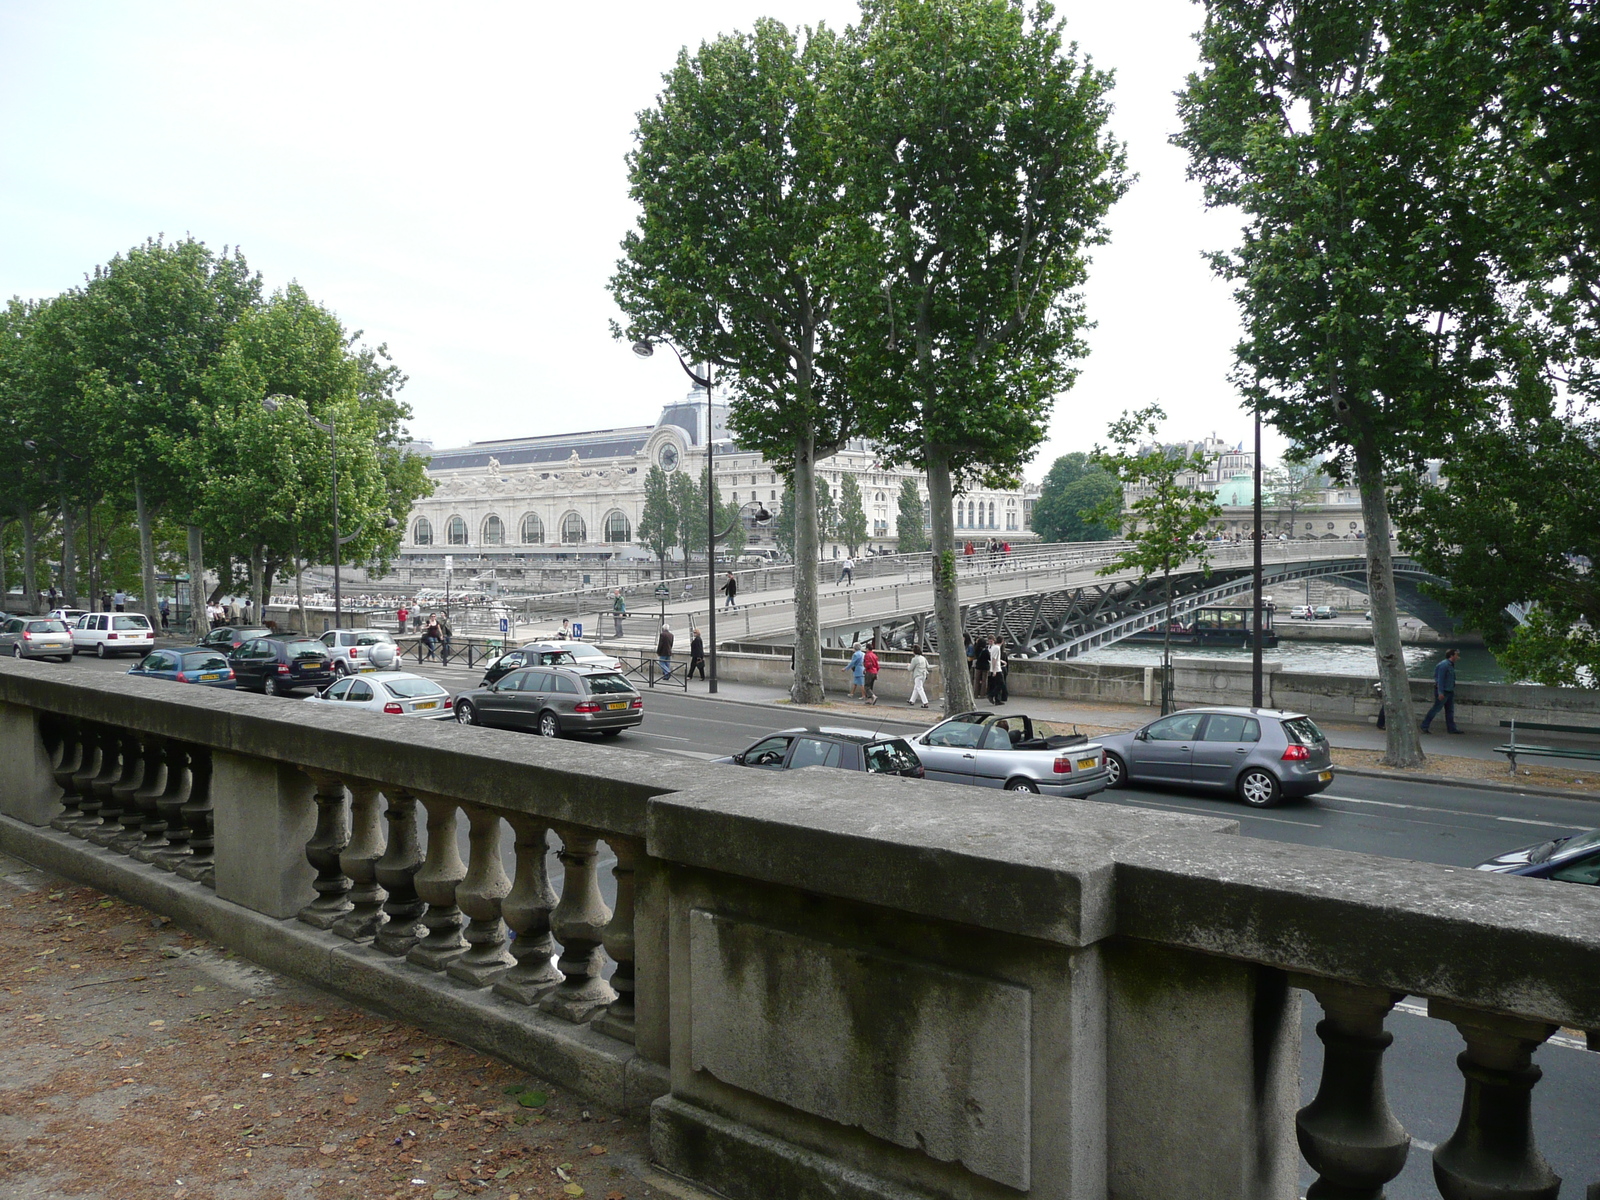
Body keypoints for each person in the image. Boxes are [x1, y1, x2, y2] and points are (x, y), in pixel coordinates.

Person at [1420, 648, 1463, 734]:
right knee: (1436, 709)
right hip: (1444, 692)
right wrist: (1440, 692)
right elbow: (1440, 680)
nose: (1457, 657)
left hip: (1449, 691)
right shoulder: (1444, 665)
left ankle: (1451, 728)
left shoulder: (1449, 665)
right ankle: (1424, 725)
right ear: (1451, 656)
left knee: (1450, 711)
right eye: (1456, 655)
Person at [988, 641, 1008, 705]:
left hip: (996, 669)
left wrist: (1001, 661)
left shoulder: (993, 647)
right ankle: (991, 695)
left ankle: (997, 700)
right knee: (1001, 684)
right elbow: (994, 659)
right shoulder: (997, 648)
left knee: (997, 684)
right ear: (1002, 641)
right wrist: (994, 670)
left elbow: (994, 658)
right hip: (997, 669)